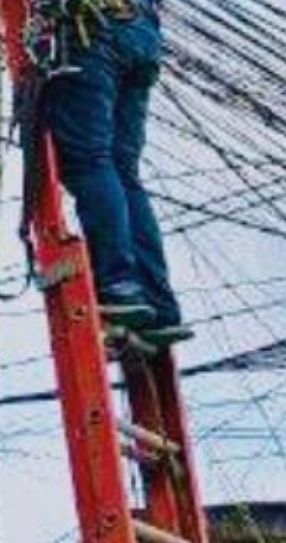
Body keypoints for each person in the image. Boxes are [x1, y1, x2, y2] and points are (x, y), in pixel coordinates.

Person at [33, 0, 186, 340]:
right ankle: (160, 307)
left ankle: (119, 284)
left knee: (89, 162)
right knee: (122, 171)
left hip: (95, 31)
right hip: (142, 32)